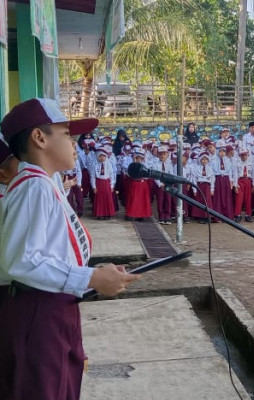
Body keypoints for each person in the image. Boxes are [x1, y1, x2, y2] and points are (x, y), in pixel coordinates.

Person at [0, 98, 138, 400]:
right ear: (39, 137)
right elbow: (20, 261)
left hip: (55, 306)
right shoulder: (33, 187)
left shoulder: (46, 182)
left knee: (62, 386)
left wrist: (96, 274)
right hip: (38, 309)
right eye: (66, 135)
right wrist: (90, 278)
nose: (75, 143)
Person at [90, 148, 116, 220]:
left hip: (106, 183)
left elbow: (112, 176)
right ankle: (99, 213)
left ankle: (107, 214)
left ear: (106, 157)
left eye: (103, 156)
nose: (102, 158)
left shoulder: (109, 165)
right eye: (100, 156)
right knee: (99, 199)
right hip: (99, 183)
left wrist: (112, 185)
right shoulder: (95, 165)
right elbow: (93, 177)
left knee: (107, 198)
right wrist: (94, 187)